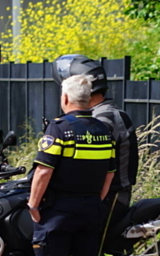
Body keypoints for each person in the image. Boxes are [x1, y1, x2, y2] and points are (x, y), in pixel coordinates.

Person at [24, 74, 115, 256]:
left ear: (65, 99)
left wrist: (33, 205)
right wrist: (95, 201)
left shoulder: (59, 128)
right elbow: (109, 173)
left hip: (58, 214)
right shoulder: (103, 129)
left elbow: (43, 170)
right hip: (91, 212)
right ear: (87, 99)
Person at [54, 54, 139, 221]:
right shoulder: (95, 115)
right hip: (97, 196)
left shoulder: (103, 119)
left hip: (108, 198)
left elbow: (84, 164)